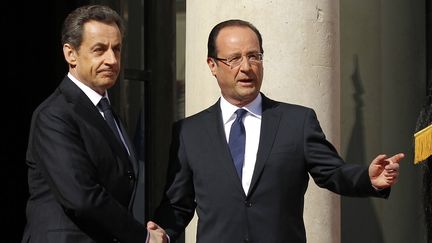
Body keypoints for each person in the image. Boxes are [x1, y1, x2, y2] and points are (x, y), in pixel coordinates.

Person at [154, 19, 405, 243]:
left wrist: (368, 179)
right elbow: (178, 204)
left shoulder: (297, 122)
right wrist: (160, 233)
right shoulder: (189, 132)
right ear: (212, 65)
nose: (246, 67)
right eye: (234, 59)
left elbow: (332, 172)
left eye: (254, 56)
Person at [21, 5, 167, 243]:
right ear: (71, 54)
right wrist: (143, 237)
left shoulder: (107, 112)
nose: (111, 60)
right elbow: (82, 196)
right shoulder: (54, 114)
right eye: (99, 50)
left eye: (117, 49)